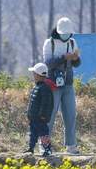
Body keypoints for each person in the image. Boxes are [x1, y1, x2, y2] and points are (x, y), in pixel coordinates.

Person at [42, 17, 81, 154]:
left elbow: (77, 64)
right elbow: (48, 63)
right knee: (50, 116)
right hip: (52, 83)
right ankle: (44, 145)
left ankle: (71, 145)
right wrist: (64, 58)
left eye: (68, 33)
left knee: (70, 115)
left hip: (68, 83)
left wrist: (75, 59)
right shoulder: (49, 43)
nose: (66, 36)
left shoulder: (72, 42)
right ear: (58, 32)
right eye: (64, 33)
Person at [25, 62, 56, 156]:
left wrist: (43, 116)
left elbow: (47, 104)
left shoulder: (45, 88)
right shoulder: (37, 87)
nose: (33, 75)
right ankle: (30, 148)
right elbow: (33, 103)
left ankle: (47, 150)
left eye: (34, 74)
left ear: (38, 75)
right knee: (32, 134)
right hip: (34, 118)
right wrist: (29, 115)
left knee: (44, 135)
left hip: (40, 118)